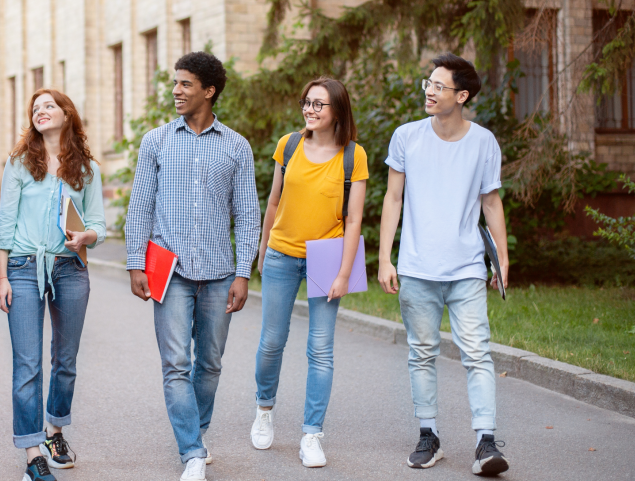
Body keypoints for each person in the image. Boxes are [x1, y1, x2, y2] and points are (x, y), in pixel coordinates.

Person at [125, 51, 261, 481]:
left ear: (209, 90)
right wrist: (135, 263)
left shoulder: (237, 146)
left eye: (185, 84)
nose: (176, 91)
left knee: (211, 364)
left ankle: (196, 436)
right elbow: (139, 207)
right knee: (176, 364)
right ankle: (192, 453)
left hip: (220, 272)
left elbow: (249, 213)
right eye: (175, 83)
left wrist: (243, 272)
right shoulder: (156, 141)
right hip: (170, 270)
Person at [377, 53, 510, 476]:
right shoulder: (406, 136)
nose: (429, 92)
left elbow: (491, 201)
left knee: (477, 354)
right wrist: (385, 258)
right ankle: (428, 434)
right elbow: (393, 198)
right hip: (416, 269)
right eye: (428, 84)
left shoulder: (483, 142)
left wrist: (502, 260)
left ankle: (485, 442)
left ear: (462, 95)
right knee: (421, 354)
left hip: (467, 269)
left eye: (438, 86)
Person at [251, 77, 368, 468]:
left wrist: (344, 273)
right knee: (272, 341)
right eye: (307, 102)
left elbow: (353, 221)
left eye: (319, 104)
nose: (310, 110)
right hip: (282, 254)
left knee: (320, 349)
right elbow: (273, 201)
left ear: (338, 109)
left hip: (327, 256)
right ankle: (264, 410)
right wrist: (264, 247)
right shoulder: (289, 145)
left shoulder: (354, 156)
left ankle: (312, 434)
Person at [0, 88, 106, 481]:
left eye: (49, 106)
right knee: (26, 364)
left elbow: (99, 225)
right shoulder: (20, 162)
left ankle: (54, 432)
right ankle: (32, 454)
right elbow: (5, 223)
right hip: (24, 267)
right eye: (35, 108)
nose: (41, 111)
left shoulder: (86, 167)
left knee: (66, 360)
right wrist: (0, 276)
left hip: (70, 268)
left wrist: (86, 238)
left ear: (66, 113)